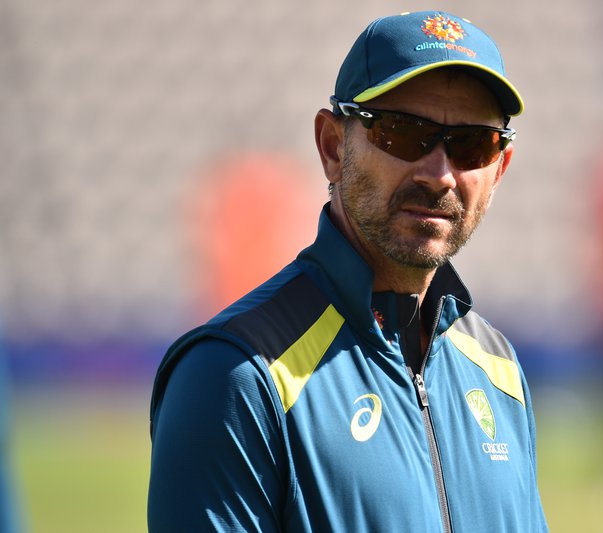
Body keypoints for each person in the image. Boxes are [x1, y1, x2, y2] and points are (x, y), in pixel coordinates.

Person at [148, 10, 548, 532]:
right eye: (404, 134)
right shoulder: (237, 374)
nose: (441, 173)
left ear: (499, 169)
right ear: (333, 147)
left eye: (473, 144)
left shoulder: (498, 370)